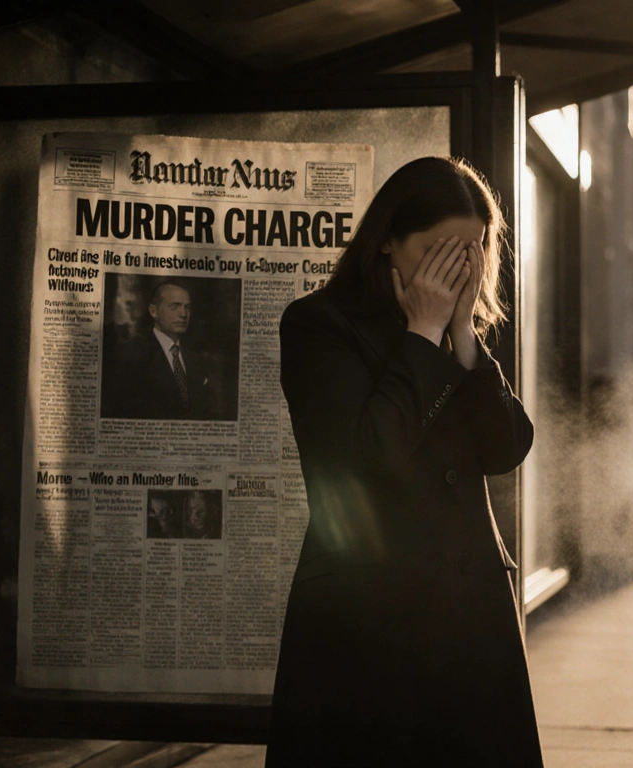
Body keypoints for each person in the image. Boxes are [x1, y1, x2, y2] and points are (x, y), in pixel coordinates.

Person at [267, 157, 542, 766]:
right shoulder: (318, 325)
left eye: (471, 254)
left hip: (470, 619)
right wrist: (421, 335)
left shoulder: (460, 335)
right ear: (388, 239)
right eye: (438, 251)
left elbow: (507, 448)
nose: (455, 270)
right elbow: (365, 458)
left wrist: (464, 337)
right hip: (369, 619)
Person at [105, 280, 220, 420]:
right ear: (154, 311)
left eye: (188, 307)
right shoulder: (131, 354)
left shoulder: (196, 361)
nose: (183, 314)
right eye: (174, 306)